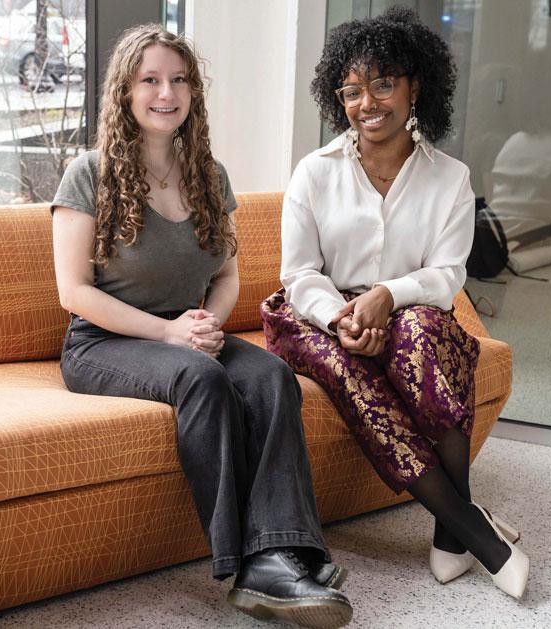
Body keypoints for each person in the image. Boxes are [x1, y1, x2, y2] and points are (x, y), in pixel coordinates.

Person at [50, 24, 352, 628]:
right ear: (125, 93)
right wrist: (169, 335)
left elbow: (226, 275)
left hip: (186, 331)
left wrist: (209, 324)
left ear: (194, 92)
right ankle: (248, 563)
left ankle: (281, 549)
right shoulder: (88, 174)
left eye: (180, 79)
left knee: (270, 376)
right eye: (151, 80)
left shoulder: (209, 175)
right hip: (105, 341)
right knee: (203, 379)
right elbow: (73, 292)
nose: (168, 92)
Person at [261, 7, 530, 599]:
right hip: (317, 312)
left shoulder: (450, 177)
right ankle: (473, 531)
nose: (368, 103)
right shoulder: (313, 172)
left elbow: (446, 274)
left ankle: (448, 527)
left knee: (422, 335)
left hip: (411, 309)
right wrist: (342, 314)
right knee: (346, 366)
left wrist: (388, 296)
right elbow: (300, 272)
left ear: (415, 87)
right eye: (352, 90)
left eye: (383, 83)